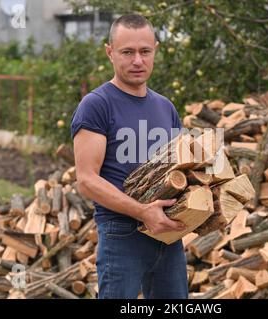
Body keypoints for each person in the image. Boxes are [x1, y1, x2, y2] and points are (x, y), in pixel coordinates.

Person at [70, 14, 189, 299]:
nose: (138, 60)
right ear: (110, 52)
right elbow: (86, 181)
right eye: (127, 52)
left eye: (145, 51)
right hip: (121, 233)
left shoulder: (165, 107)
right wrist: (142, 211)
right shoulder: (96, 105)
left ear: (155, 51)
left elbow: (182, 168)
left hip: (167, 234)